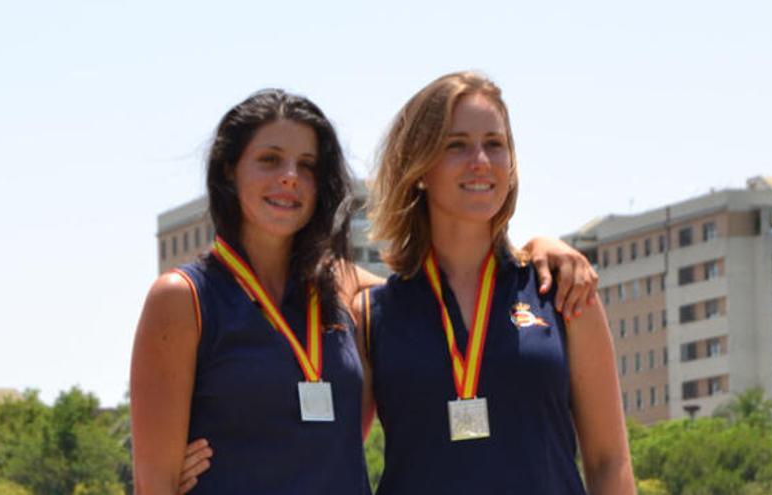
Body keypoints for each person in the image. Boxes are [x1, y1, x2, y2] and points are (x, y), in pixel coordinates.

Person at [134, 88, 599, 494]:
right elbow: (154, 481)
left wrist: (543, 247)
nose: (290, 177)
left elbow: (444, 289)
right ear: (229, 171)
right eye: (270, 160)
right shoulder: (184, 298)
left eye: (308, 165)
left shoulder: (345, 291)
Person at [356, 72, 635, 494]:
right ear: (418, 167)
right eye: (456, 145)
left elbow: (608, 461)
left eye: (495, 144)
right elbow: (327, 454)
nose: (481, 161)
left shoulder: (563, 292)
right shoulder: (371, 315)